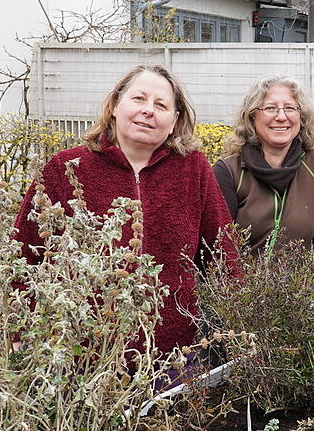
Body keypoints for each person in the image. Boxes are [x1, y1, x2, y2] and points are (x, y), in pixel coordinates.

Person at [14, 64, 237, 358]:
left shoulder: (193, 169)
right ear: (115, 105)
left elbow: (223, 253)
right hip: (81, 355)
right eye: (139, 99)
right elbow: (25, 255)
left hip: (172, 357)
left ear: (174, 120)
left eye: (161, 105)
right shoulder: (66, 169)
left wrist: (236, 325)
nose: (148, 110)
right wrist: (18, 333)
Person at [213, 75, 314, 257]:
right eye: (270, 108)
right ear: (252, 116)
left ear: (301, 116)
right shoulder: (228, 171)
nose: (282, 117)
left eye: (290, 108)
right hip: (241, 284)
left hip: (300, 285)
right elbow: (217, 250)